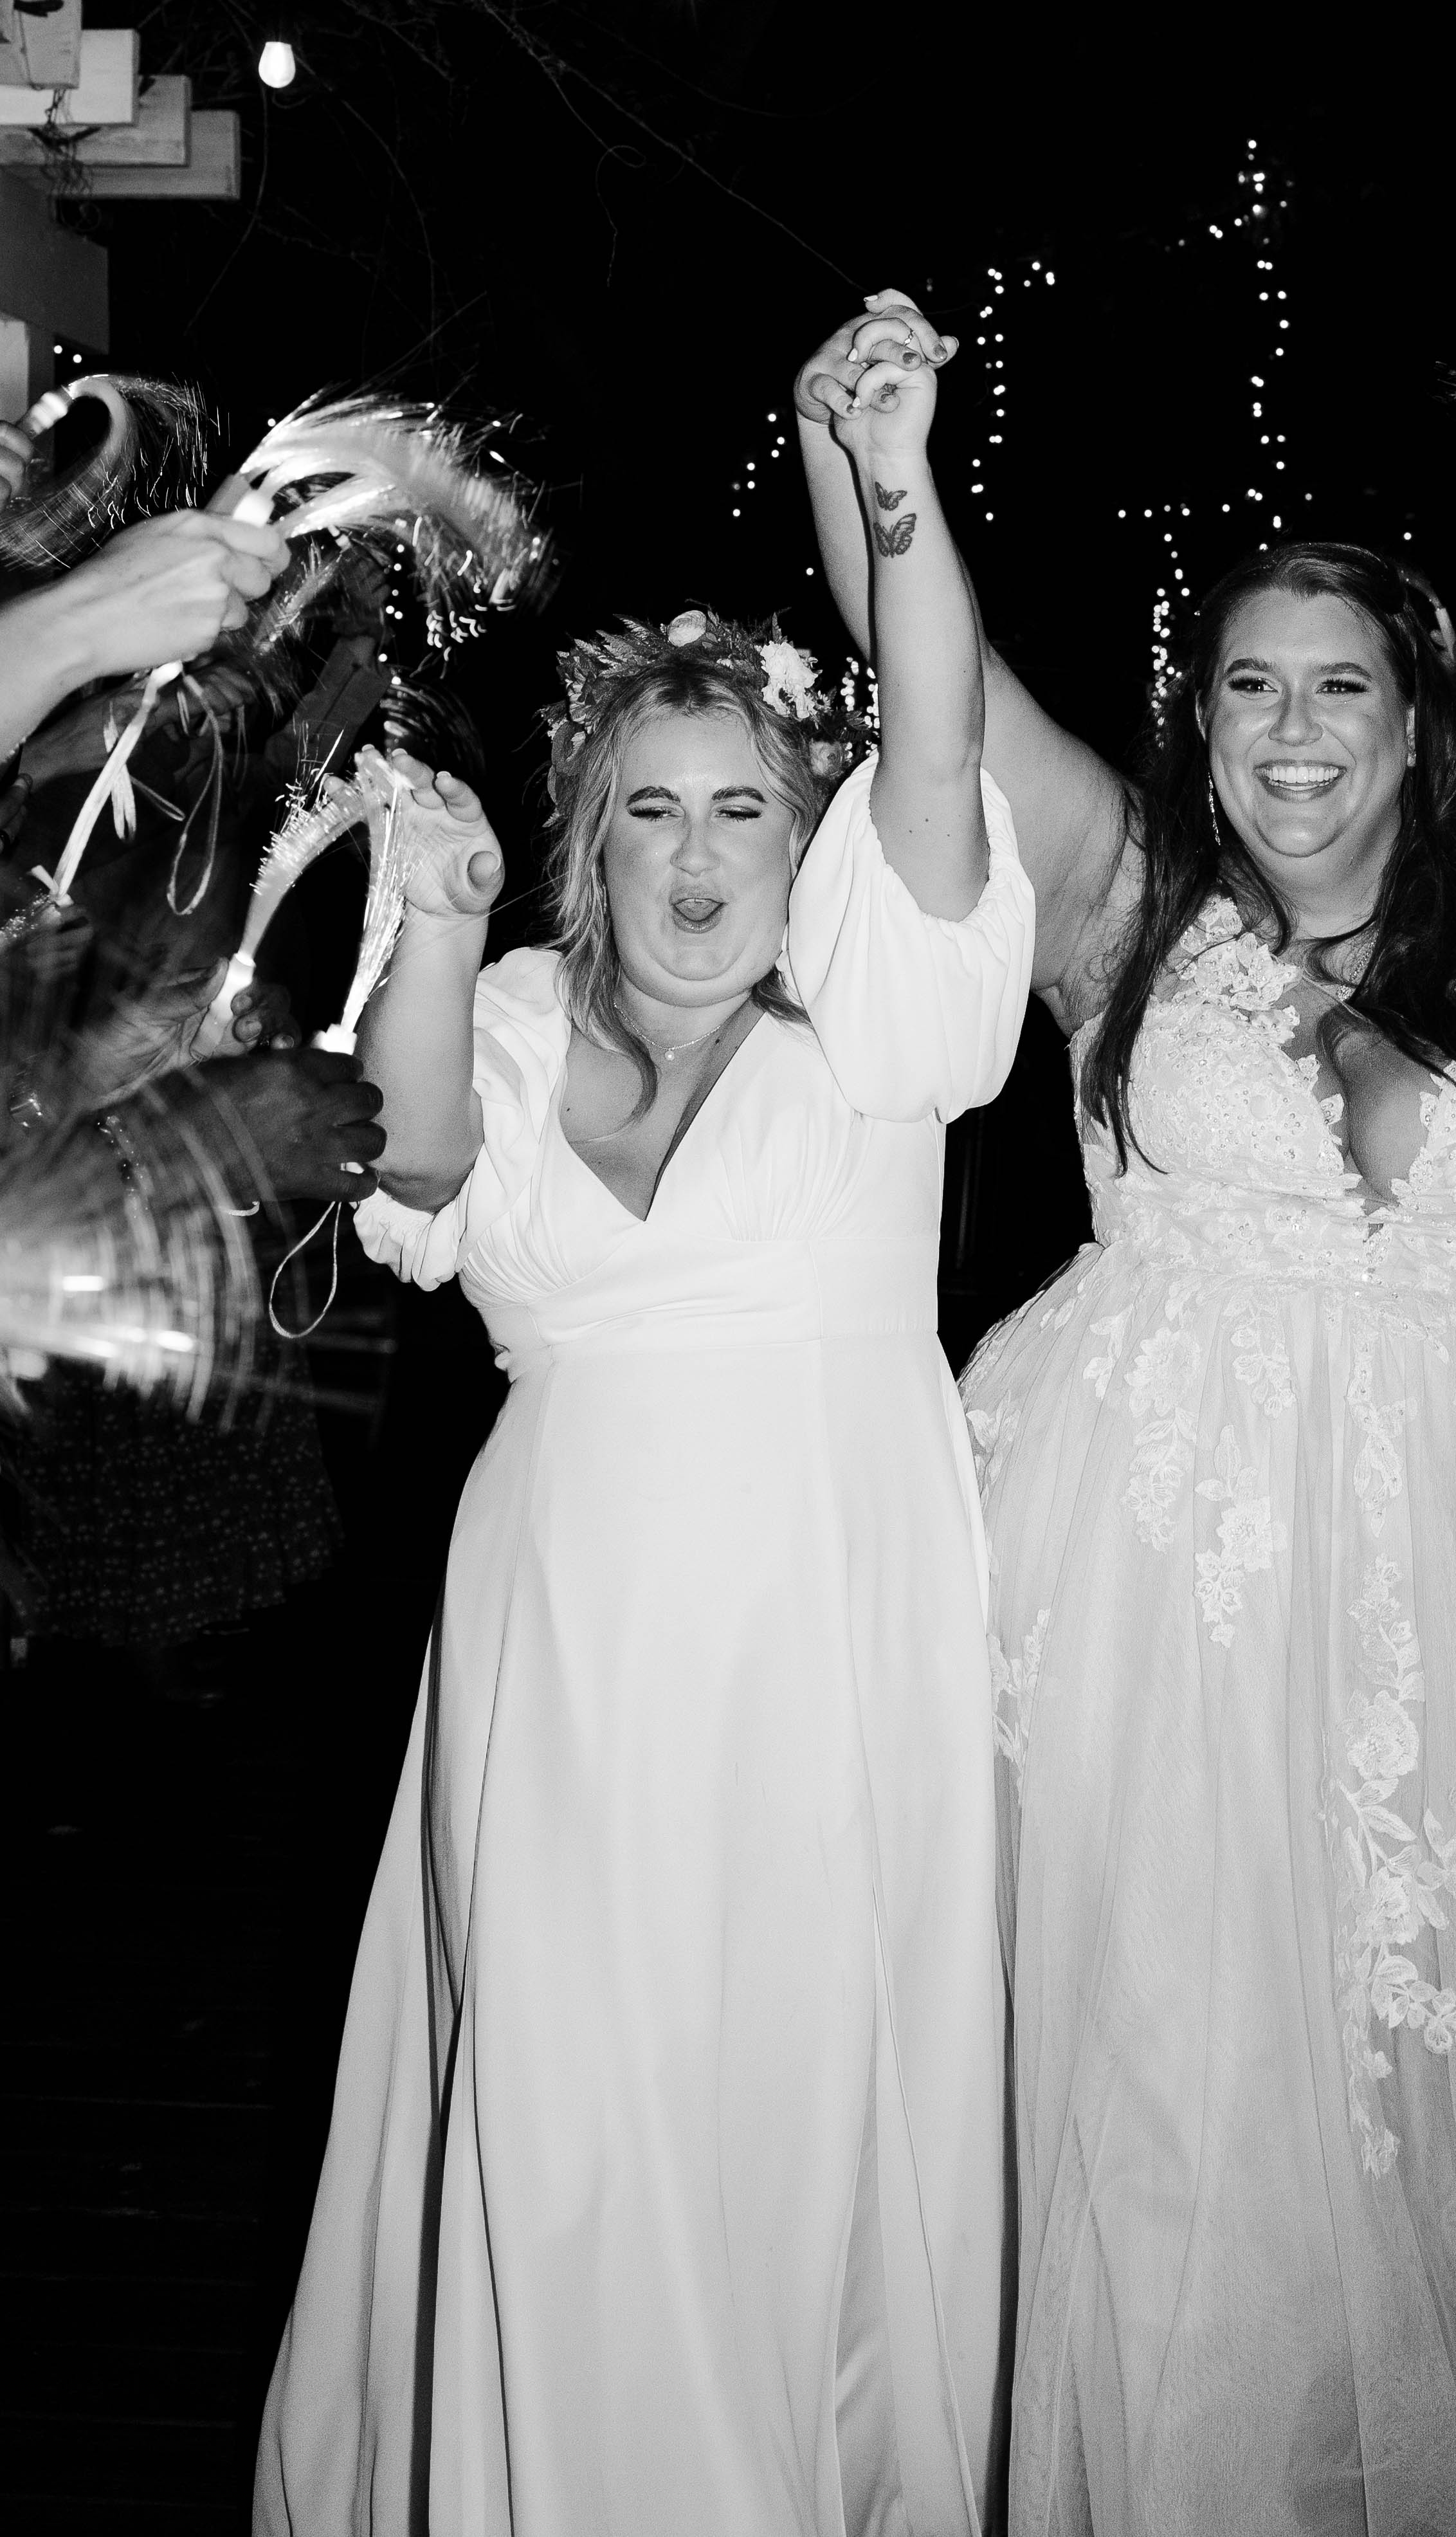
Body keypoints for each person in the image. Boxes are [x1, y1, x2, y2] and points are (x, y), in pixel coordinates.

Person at [801, 298, 1456, 2534]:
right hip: (1146, 1600)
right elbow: (930, 671)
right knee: (1173, 2085)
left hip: (1454, 1598)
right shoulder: (1121, 904)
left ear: (1420, 721)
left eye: (1339, 686)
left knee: (1445, 2075)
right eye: (1248, 687)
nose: (1291, 731)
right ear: (1203, 720)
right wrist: (880, 463)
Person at [255, 327, 1034, 2533]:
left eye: (743, 810)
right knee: (567, 2098)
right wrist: (434, 920)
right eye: (648, 812)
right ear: (589, 838)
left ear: (808, 835)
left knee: (782, 2106)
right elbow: (413, 1174)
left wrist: (893, 482)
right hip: (566, 1651)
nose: (697, 860)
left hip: (823, 1641)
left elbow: (940, 733)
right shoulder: (508, 1013)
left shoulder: (878, 1016)